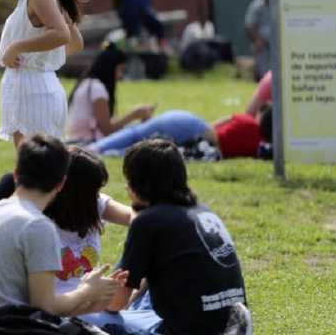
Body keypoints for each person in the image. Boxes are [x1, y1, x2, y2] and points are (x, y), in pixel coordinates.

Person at [0, 135, 121, 335]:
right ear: (61, 184)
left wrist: (88, 304)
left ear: (16, 175)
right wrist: (86, 291)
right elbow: (45, 309)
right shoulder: (36, 226)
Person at [95, 139, 248, 334]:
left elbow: (116, 304)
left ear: (137, 183)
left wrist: (92, 291)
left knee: (87, 321)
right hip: (230, 318)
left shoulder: (148, 221)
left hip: (185, 329)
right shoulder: (203, 211)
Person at [0, 0, 85, 149]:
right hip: (37, 88)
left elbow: (62, 36)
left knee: (35, 174)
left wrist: (16, 49)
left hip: (33, 93)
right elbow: (75, 43)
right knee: (41, 171)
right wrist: (41, 58)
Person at [87, 106, 273, 159]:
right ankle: (95, 150)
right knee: (140, 140)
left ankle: (93, 149)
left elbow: (218, 124)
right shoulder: (258, 145)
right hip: (191, 129)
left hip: (191, 123)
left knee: (137, 133)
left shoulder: (247, 120)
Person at [64, 43, 155, 144]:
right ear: (110, 68)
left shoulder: (88, 83)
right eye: (120, 70)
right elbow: (107, 130)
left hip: (79, 138)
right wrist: (134, 114)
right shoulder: (97, 89)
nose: (120, 76)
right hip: (85, 141)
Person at [245, 0, 281, 81]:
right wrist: (257, 40)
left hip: (277, 42)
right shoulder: (256, 5)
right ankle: (263, 83)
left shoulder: (280, 4)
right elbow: (249, 25)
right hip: (262, 42)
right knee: (263, 71)